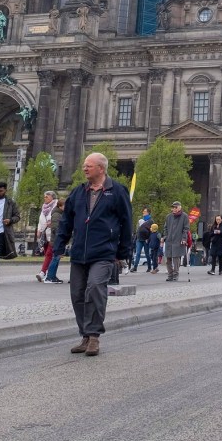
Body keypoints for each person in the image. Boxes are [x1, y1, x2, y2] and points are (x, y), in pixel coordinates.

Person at [53, 152, 132, 357]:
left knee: (95, 288)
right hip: (80, 252)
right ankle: (85, 335)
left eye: (89, 166)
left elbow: (126, 222)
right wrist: (59, 245)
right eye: (84, 166)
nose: (84, 168)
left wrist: (122, 252)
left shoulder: (117, 191)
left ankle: (94, 335)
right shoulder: (78, 193)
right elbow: (66, 222)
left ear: (101, 168)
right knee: (77, 294)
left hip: (105, 252)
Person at [163, 201, 188, 282]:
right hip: (169, 240)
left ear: (179, 208)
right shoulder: (168, 216)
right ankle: (170, 274)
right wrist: (165, 236)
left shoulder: (184, 216)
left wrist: (184, 239)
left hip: (178, 240)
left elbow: (186, 229)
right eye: (173, 207)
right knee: (168, 259)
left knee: (176, 259)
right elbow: (165, 228)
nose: (174, 209)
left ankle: (175, 275)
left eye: (175, 207)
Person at [36, 191, 58, 281]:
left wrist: (51, 223)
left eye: (47, 197)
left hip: (52, 233)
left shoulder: (56, 206)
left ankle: (42, 272)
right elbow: (41, 219)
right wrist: (39, 229)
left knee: (49, 253)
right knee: (47, 254)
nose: (45, 198)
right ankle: (48, 272)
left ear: (52, 197)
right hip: (44, 234)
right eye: (44, 197)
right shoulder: (44, 207)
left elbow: (57, 218)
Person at [44, 198, 66, 283]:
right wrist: (60, 240)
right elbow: (56, 229)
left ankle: (52, 276)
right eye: (65, 206)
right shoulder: (57, 215)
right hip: (57, 240)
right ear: (60, 206)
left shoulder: (59, 214)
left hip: (58, 240)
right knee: (55, 258)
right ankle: (49, 277)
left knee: (57, 258)